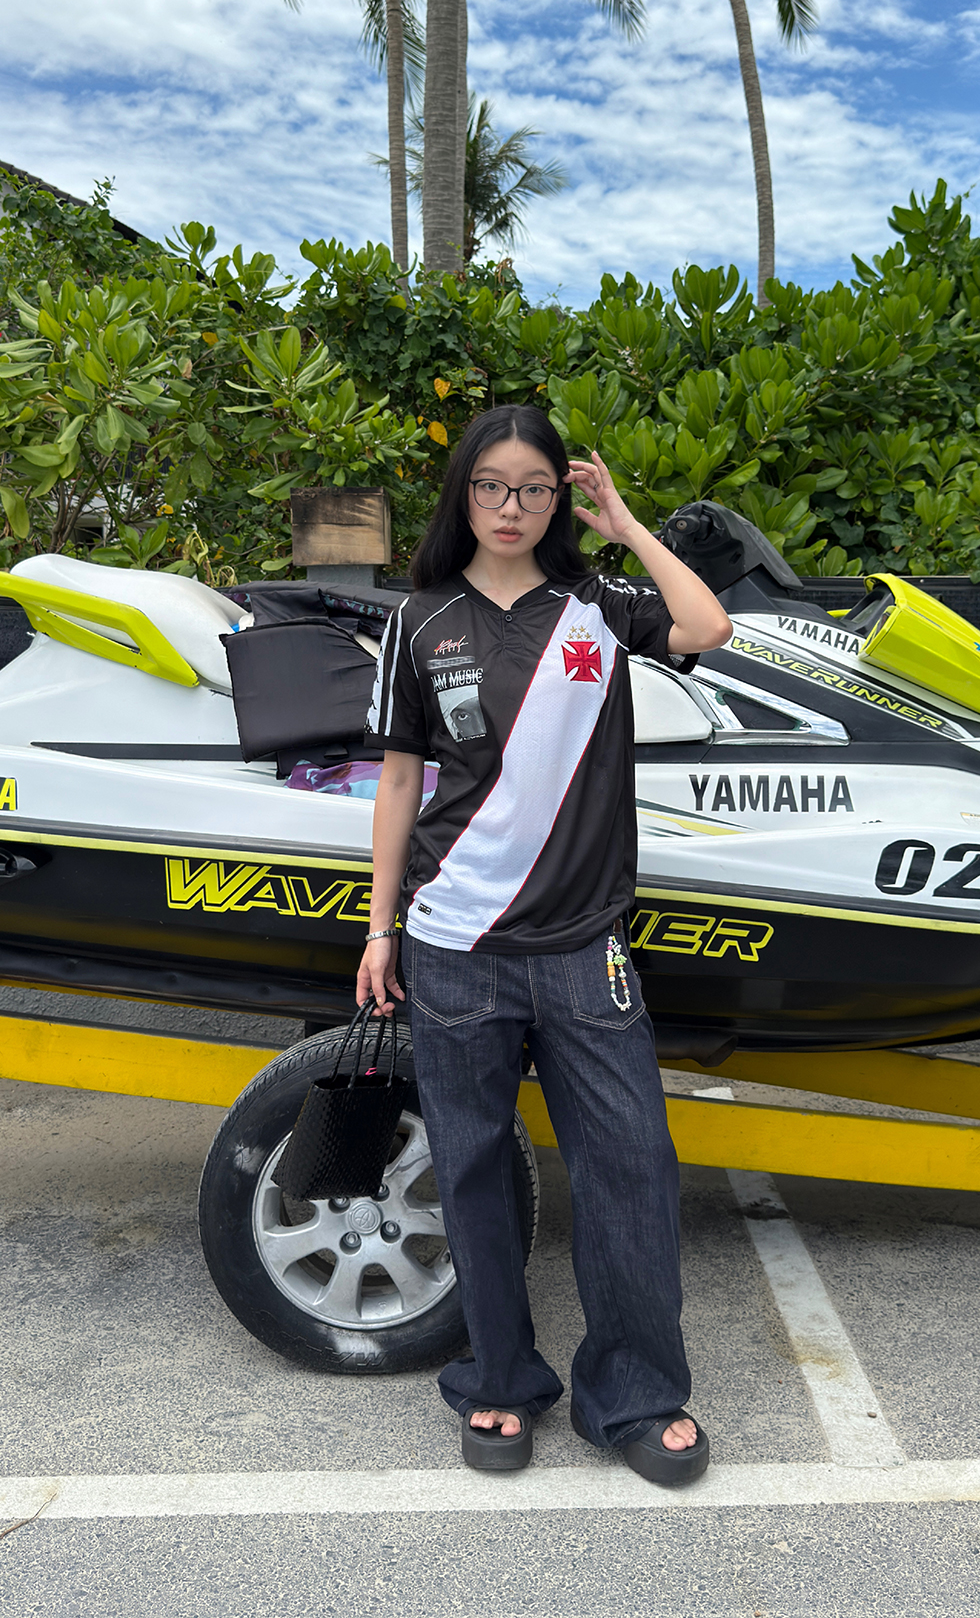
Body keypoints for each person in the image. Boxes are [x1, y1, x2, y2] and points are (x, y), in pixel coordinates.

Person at [358, 403, 732, 1486]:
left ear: (559, 496)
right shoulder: (420, 621)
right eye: (491, 487)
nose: (511, 507)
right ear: (462, 495)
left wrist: (625, 523)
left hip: (584, 950)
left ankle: (637, 1394)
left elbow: (706, 628)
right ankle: (499, 1384)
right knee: (472, 1171)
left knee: (631, 1169)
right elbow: (395, 782)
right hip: (453, 944)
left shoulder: (599, 604)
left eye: (534, 488)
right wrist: (381, 927)